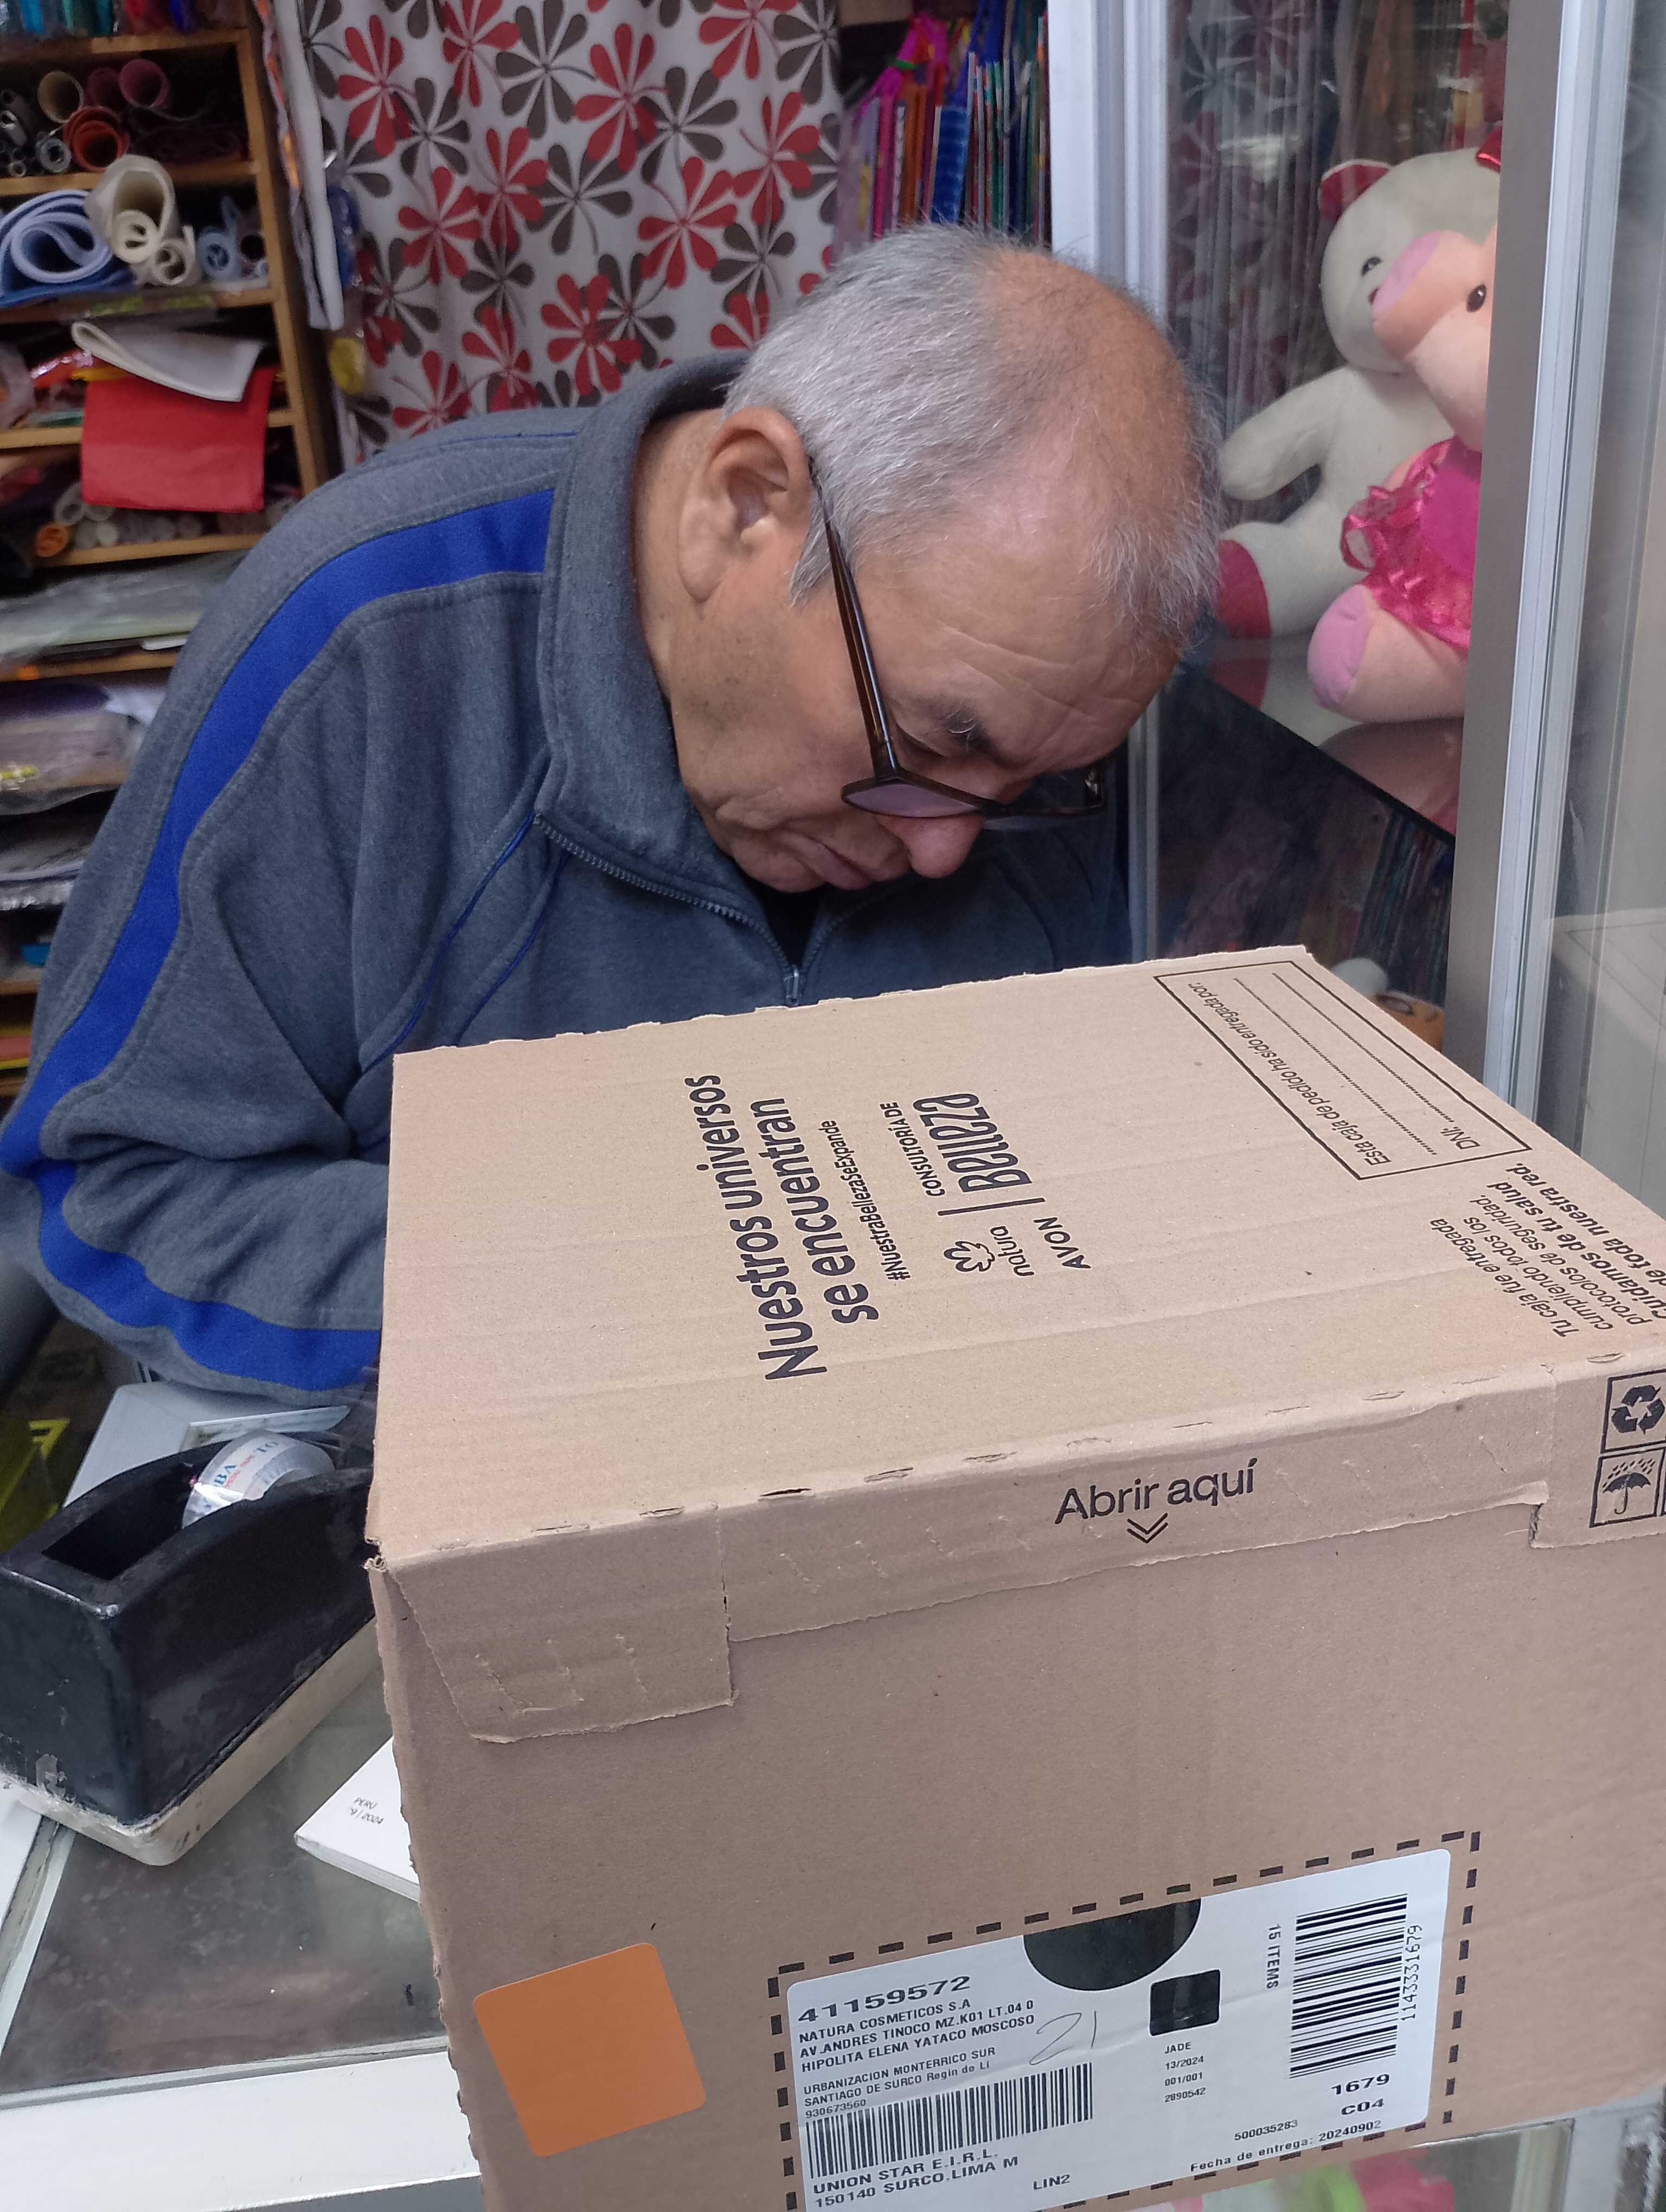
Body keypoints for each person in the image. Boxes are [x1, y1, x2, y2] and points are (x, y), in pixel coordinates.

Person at [0, 228, 1218, 1399]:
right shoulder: (362, 645)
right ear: (742, 506)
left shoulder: (1038, 714)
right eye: (937, 743)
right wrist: (626, 1287)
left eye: (1032, 788)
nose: (947, 847)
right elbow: (111, 1190)